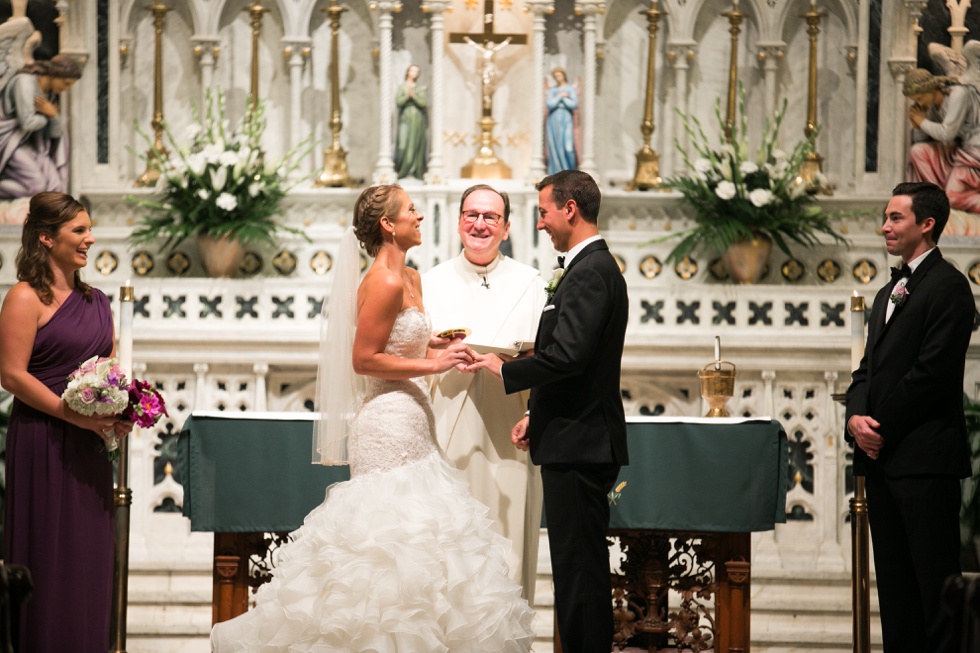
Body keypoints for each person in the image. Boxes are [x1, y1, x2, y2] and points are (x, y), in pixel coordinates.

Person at [210, 184, 535, 652]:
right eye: (410, 211)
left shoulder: (412, 277)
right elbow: (364, 360)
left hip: (416, 418)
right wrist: (433, 365)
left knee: (424, 543)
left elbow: (405, 341)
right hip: (385, 420)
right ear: (388, 224)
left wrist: (439, 346)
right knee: (383, 543)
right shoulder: (380, 280)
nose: (420, 217)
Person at [468, 170, 629, 652]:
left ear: (570, 209)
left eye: (543, 211)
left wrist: (504, 368)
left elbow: (569, 356)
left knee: (580, 579)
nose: (540, 223)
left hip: (581, 444)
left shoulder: (592, 272)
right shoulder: (584, 269)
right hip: (571, 435)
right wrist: (538, 412)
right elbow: (574, 359)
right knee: (575, 573)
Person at [845, 181, 975, 653]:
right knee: (896, 597)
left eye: (896, 218)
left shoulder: (950, 287)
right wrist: (856, 419)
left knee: (934, 593)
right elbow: (867, 370)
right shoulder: (887, 293)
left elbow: (932, 374)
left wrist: (879, 428)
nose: (885, 226)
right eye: (885, 217)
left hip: (924, 461)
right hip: (884, 464)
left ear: (927, 224)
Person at [0, 192, 132, 652]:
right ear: (45, 238)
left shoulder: (96, 300)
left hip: (89, 445)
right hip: (42, 438)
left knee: (87, 559)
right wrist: (68, 413)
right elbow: (12, 374)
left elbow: (112, 364)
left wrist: (121, 405)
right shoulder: (23, 297)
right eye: (79, 231)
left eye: (89, 229)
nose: (90, 239)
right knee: (47, 554)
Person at [422, 184, 546, 601]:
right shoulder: (431, 281)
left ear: (507, 227)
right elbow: (413, 353)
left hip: (510, 426)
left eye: (491, 217)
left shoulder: (531, 282)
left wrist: (507, 363)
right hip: (446, 424)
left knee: (506, 540)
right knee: (446, 546)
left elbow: (545, 358)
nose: (480, 224)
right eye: (472, 215)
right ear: (458, 222)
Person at [0, 54, 80, 200]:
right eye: (66, 83)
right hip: (8, 141)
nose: (65, 89)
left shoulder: (48, 94)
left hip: (29, 144)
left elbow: (54, 134)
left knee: (55, 186)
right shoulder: (24, 82)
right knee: (37, 186)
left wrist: (54, 116)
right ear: (55, 75)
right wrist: (48, 117)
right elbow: (27, 122)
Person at [903, 68, 980, 213]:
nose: (918, 104)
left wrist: (921, 121)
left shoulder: (959, 94)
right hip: (960, 150)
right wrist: (917, 125)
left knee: (953, 198)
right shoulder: (932, 106)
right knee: (917, 151)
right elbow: (921, 140)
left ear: (930, 90)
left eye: (919, 98)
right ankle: (933, 198)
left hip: (975, 150)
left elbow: (947, 133)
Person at [393, 64, 427, 180]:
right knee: (403, 145)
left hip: (417, 119)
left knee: (415, 144)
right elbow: (398, 101)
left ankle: (414, 171)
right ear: (408, 72)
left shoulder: (419, 88)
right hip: (405, 118)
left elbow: (423, 103)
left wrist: (414, 96)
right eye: (412, 70)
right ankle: (402, 171)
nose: (414, 73)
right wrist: (408, 96)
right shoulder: (402, 87)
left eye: (417, 71)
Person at [545, 67, 578, 175]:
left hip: (566, 118)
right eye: (556, 76)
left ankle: (570, 173)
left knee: (568, 147)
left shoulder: (570, 89)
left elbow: (574, 104)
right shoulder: (553, 90)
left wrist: (563, 99)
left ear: (564, 75)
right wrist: (561, 96)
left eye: (559, 75)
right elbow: (550, 104)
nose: (558, 78)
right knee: (555, 146)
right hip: (554, 119)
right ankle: (556, 173)